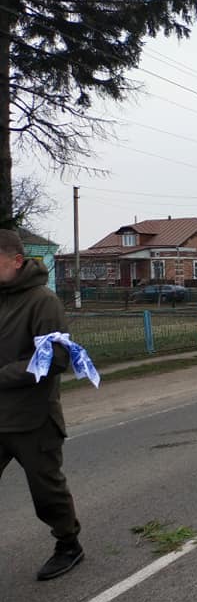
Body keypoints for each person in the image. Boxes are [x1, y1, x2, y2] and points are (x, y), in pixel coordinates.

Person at [0, 230, 84, 580]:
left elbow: (54, 359)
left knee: (46, 490)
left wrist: (2, 374)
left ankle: (68, 544)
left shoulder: (43, 302)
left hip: (33, 419)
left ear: (16, 262)